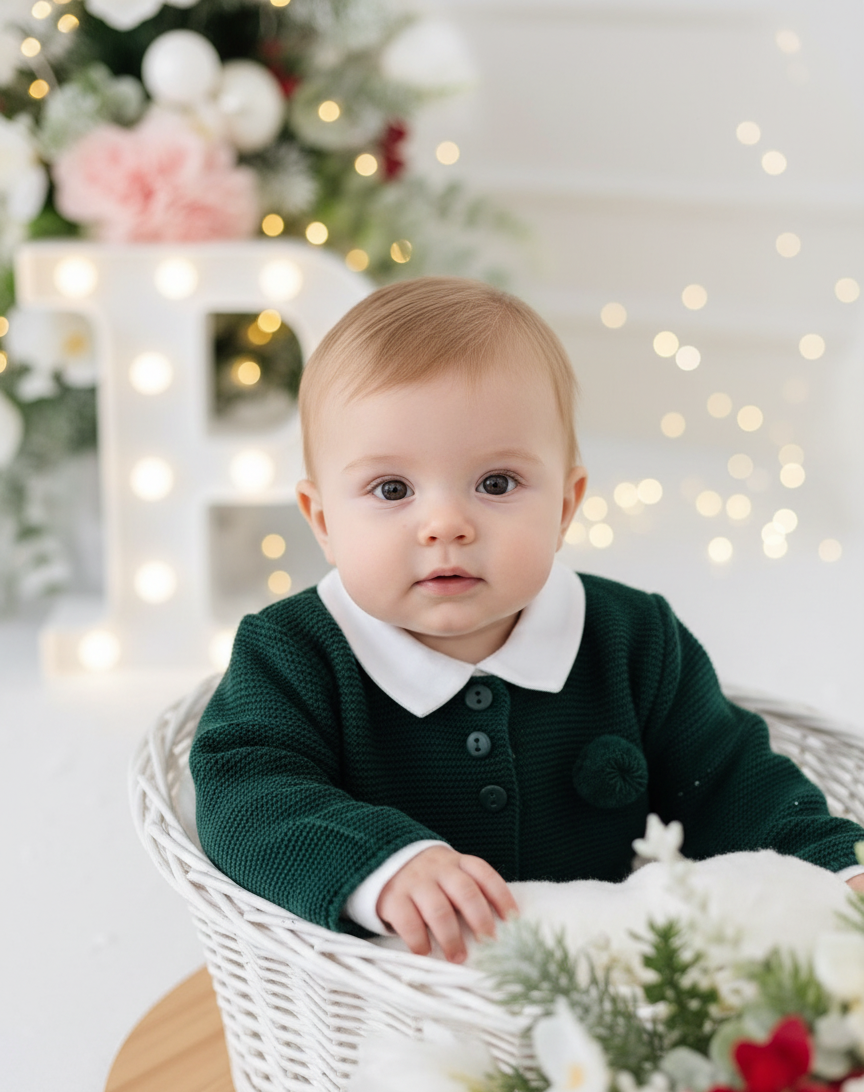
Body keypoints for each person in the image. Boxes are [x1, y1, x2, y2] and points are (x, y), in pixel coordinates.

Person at [190, 276, 864, 965]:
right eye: (392, 489)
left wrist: (836, 871)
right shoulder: (294, 653)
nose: (445, 524)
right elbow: (244, 793)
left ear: (566, 505)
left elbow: (731, 784)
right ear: (324, 521)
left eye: (497, 483)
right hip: (391, 991)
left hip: (611, 983)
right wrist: (384, 866)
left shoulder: (634, 640)